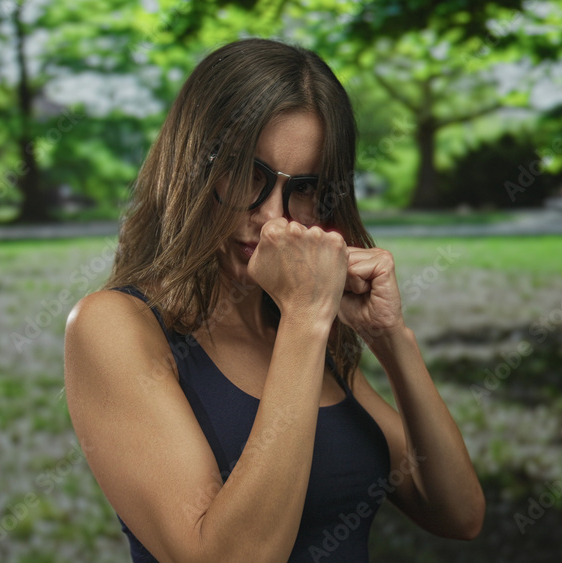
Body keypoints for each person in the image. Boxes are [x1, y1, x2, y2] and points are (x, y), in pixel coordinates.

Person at [63, 38, 484, 562]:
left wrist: (390, 337)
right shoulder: (114, 325)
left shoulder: (296, 327)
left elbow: (458, 513)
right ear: (190, 165)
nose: (273, 218)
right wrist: (306, 320)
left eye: (303, 188)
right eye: (247, 175)